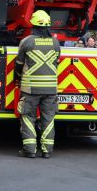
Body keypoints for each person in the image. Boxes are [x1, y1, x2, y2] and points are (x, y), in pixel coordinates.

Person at [15, 10, 60, 159]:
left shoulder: (27, 41)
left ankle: (30, 150)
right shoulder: (55, 42)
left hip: (30, 89)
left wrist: (18, 79)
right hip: (51, 89)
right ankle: (47, 151)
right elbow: (57, 62)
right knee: (49, 118)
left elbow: (19, 64)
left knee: (28, 117)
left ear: (33, 24)